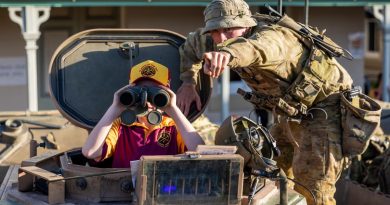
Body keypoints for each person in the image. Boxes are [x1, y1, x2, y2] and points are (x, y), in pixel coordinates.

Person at [176, 0, 354, 204]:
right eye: (216, 31)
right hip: (291, 113)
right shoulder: (216, 37)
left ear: (247, 24)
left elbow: (255, 50)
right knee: (268, 174)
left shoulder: (273, 39)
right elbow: (191, 45)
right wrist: (188, 82)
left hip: (325, 112)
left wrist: (227, 54)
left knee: (314, 188)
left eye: (229, 29)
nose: (222, 37)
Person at [82, 60, 205, 168]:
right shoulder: (120, 126)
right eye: (140, 91)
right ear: (130, 90)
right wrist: (115, 107)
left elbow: (201, 153)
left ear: (167, 91)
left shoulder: (173, 127)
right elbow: (90, 152)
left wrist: (172, 109)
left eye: (154, 92)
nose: (146, 99)